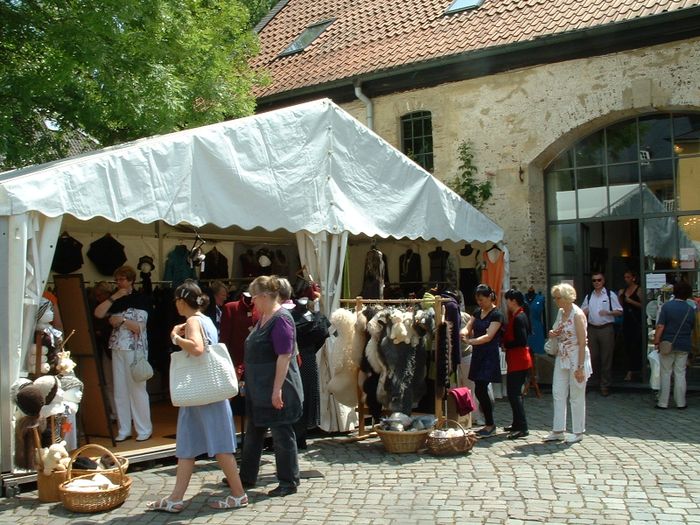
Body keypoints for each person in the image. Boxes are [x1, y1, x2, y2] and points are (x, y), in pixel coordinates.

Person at [146, 280, 247, 512]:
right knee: (189, 446)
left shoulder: (192, 321)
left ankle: (238, 494)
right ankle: (176, 497)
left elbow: (198, 349)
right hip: (206, 392)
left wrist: (175, 338)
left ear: (182, 301)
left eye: (176, 302)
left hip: (202, 393)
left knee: (214, 446)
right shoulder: (206, 319)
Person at [239, 275, 304, 497]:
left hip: (277, 386)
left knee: (281, 433)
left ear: (265, 296)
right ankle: (246, 477)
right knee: (253, 432)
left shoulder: (281, 319)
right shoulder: (264, 317)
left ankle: (288, 482)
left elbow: (284, 356)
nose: (252, 302)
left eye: (254, 297)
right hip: (259, 387)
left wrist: (277, 390)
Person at [93, 265, 152, 442]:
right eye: (117, 280)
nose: (119, 283)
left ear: (131, 280)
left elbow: (140, 327)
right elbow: (98, 313)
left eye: (122, 279)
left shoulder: (141, 299)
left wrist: (122, 320)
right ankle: (124, 428)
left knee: (137, 389)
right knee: (119, 390)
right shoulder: (115, 300)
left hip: (135, 349)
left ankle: (143, 428)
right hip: (117, 348)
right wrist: (114, 297)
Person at [544, 283, 592, 444]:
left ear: (566, 298)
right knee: (558, 392)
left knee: (576, 394)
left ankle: (578, 431)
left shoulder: (577, 314)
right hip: (562, 356)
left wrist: (579, 367)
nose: (556, 301)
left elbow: (582, 341)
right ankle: (558, 429)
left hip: (576, 356)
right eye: (555, 298)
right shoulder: (561, 312)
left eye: (558, 298)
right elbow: (555, 330)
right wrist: (552, 334)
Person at [460, 284, 504, 438]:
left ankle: (490, 423)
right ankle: (488, 422)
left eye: (482, 299)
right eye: (478, 300)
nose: (479, 302)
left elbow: (489, 336)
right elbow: (468, 325)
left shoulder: (496, 315)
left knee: (480, 388)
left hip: (489, 355)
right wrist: (464, 332)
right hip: (478, 354)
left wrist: (470, 342)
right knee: (479, 389)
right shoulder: (478, 312)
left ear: (489, 297)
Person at [653, 281, 696, 410]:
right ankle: (681, 402)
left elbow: (660, 326)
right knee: (680, 373)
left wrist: (656, 341)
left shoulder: (667, 307)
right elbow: (692, 327)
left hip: (667, 343)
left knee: (665, 373)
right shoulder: (690, 309)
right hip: (684, 344)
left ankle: (663, 402)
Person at [581, 272, 622, 396]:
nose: (596, 282)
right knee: (592, 357)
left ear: (603, 281)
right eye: (594, 280)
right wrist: (585, 311)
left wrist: (608, 313)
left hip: (606, 328)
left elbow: (620, 311)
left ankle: (605, 385)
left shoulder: (610, 295)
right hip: (592, 329)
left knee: (606, 358)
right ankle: (591, 382)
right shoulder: (589, 296)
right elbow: (581, 311)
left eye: (599, 280)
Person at [502, 289, 533, 439]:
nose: (506, 303)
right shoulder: (518, 315)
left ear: (513, 301)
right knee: (513, 393)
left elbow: (521, 340)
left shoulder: (520, 317)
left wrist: (506, 343)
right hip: (516, 359)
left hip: (519, 360)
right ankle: (516, 423)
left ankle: (523, 427)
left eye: (508, 300)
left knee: (515, 395)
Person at [618, 270, 643, 382]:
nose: (626, 279)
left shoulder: (639, 290)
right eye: (624, 277)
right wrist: (621, 298)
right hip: (626, 321)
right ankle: (629, 370)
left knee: (636, 346)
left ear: (633, 278)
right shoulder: (623, 291)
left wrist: (630, 301)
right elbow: (619, 307)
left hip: (636, 321)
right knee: (627, 346)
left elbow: (644, 305)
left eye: (628, 277)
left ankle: (635, 370)